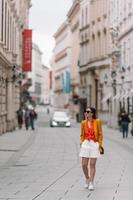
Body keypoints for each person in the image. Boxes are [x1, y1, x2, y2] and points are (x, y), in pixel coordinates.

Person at [79, 107, 103, 191]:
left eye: (88, 111)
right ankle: (87, 178)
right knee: (84, 164)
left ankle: (91, 182)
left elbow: (100, 134)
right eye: (85, 111)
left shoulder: (97, 122)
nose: (86, 112)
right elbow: (82, 134)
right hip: (86, 144)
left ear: (92, 113)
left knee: (92, 164)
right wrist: (81, 143)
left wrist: (99, 144)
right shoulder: (83, 122)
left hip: (94, 144)